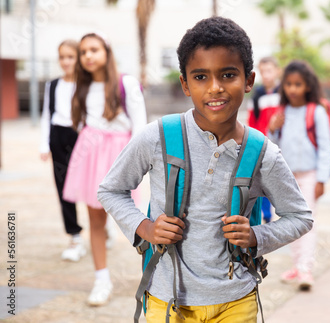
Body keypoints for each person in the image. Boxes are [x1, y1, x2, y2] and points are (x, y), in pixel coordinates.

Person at [97, 17, 312, 322]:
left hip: (236, 300)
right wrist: (144, 228)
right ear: (185, 83)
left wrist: (256, 236)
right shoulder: (156, 136)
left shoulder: (262, 153)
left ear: (248, 81)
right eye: (200, 77)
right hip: (166, 298)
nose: (215, 88)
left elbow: (300, 217)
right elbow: (111, 189)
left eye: (228, 75)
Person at [62, 33, 147, 306]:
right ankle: (101, 280)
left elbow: (140, 128)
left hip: (120, 158)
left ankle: (152, 277)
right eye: (83, 51)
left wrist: (136, 166)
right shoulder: (82, 87)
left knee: (138, 223)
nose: (88, 55)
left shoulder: (126, 83)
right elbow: (81, 122)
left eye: (94, 49)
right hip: (90, 158)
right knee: (95, 222)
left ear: (106, 52)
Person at [268, 60, 330, 290]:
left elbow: (326, 147)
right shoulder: (282, 113)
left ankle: (306, 268)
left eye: (298, 84)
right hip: (286, 177)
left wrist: (322, 179)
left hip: (310, 175)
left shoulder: (316, 112)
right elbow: (272, 147)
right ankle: (297, 265)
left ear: (308, 86)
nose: (293, 89)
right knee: (290, 221)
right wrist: (272, 128)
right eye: (288, 84)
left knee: (307, 222)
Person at [40, 40, 86, 262]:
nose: (66, 61)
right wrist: (44, 144)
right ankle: (75, 237)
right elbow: (46, 116)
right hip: (58, 137)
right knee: (63, 188)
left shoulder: (86, 84)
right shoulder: (52, 85)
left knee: (89, 185)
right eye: (62, 57)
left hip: (81, 137)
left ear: (78, 58)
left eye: (70, 56)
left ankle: (102, 225)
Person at [247, 56, 281, 223]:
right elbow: (252, 121)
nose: (266, 75)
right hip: (263, 145)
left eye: (269, 70)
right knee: (263, 180)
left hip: (281, 144)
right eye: (263, 71)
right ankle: (266, 213)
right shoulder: (257, 95)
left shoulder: (284, 93)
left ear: (277, 71)